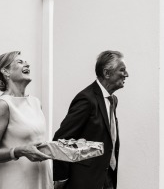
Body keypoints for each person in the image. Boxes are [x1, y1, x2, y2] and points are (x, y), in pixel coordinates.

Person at [52, 50, 128, 189]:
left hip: (107, 179)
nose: (126, 74)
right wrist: (61, 178)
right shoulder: (87, 99)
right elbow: (61, 139)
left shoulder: (113, 101)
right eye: (122, 70)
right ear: (107, 73)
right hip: (85, 181)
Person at [0, 51, 53, 189]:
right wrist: (19, 151)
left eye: (26, 62)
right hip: (17, 182)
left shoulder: (36, 102)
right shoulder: (3, 105)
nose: (27, 64)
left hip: (42, 180)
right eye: (20, 62)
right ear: (6, 71)